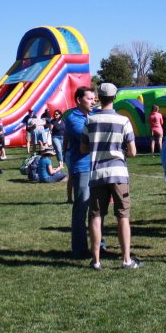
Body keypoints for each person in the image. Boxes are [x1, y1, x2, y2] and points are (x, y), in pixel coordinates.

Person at [80, 82, 139, 270]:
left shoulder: (89, 121)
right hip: (118, 173)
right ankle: (126, 259)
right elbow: (132, 151)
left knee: (96, 216)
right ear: (114, 98)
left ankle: (96, 260)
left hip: (97, 174)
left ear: (99, 98)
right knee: (122, 216)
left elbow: (83, 148)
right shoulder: (124, 121)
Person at [64, 86, 96, 258]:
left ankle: (98, 245)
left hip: (96, 167)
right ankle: (79, 248)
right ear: (78, 100)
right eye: (90, 98)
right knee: (81, 208)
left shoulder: (95, 114)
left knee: (96, 209)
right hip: (82, 168)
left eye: (94, 98)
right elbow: (88, 137)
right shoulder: (72, 118)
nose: (93, 101)